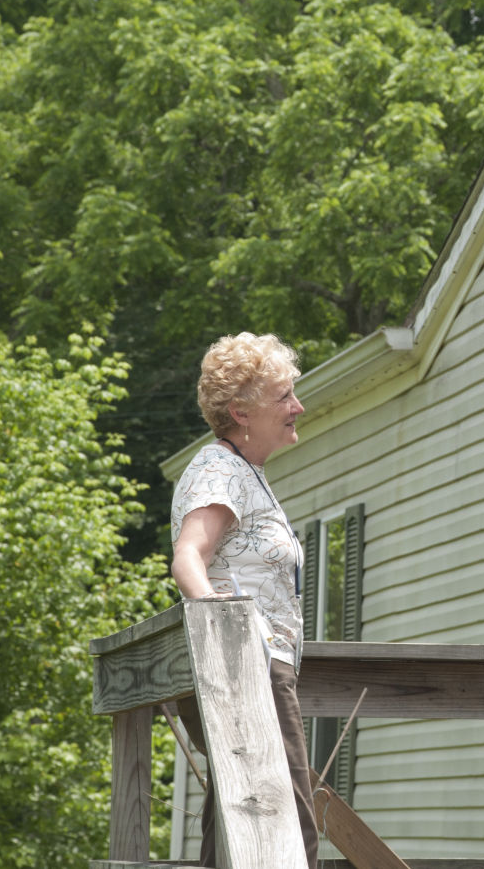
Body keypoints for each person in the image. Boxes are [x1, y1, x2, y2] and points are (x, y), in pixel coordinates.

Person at [170, 332, 318, 869]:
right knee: (289, 822)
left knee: (238, 818)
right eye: (283, 397)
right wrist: (231, 645)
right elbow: (188, 557)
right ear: (241, 411)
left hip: (254, 667)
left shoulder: (244, 471)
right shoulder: (221, 469)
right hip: (247, 668)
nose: (297, 406)